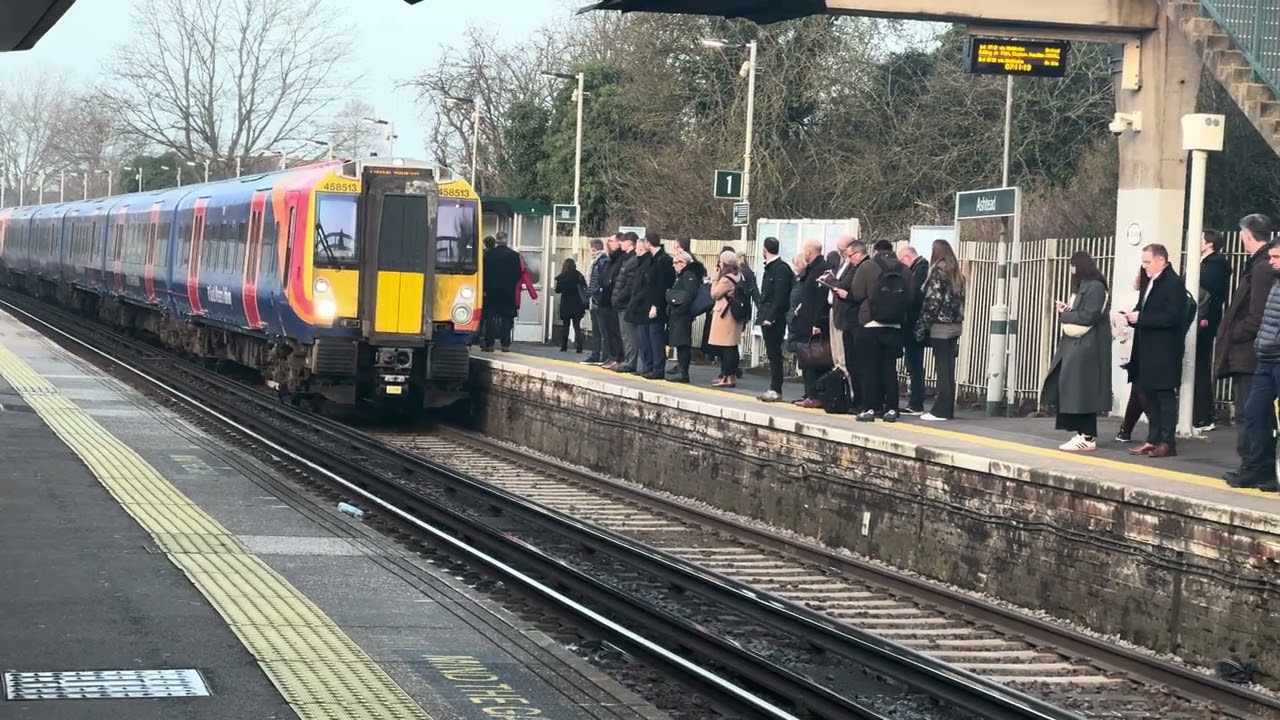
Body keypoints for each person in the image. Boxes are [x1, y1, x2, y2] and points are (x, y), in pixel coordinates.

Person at [1217, 214, 1274, 478]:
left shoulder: (1260, 268)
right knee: (1252, 411)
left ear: (1246, 236)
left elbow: (1257, 314)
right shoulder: (1259, 265)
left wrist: (1235, 333)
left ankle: (1253, 465)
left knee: (1250, 411)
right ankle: (1253, 465)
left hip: (1250, 352)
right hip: (1253, 350)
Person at [1042, 251, 1112, 452]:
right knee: (1076, 389)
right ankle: (1082, 432)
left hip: (1086, 346)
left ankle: (1087, 436)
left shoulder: (1095, 287)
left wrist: (1065, 315)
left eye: (1071, 266)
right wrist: (1067, 310)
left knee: (1083, 390)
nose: (1070, 270)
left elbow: (1089, 316)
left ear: (1077, 266)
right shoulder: (1088, 286)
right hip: (1079, 344)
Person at [1126, 244, 1187, 458]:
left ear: (1161, 260)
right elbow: (1143, 307)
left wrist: (1142, 318)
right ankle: (1153, 439)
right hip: (1147, 348)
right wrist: (1132, 317)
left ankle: (1168, 442)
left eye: (1148, 262)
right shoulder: (1150, 281)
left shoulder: (1173, 283)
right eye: (1143, 262)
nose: (1145, 266)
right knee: (1149, 394)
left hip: (1164, 350)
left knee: (1164, 395)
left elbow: (1172, 317)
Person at [1231, 239, 1280, 491]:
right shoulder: (1276, 283)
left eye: (1276, 257)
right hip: (1266, 359)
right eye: (1271, 257)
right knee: (1254, 411)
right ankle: (1259, 467)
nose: (1271, 262)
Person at [849, 239, 913, 423]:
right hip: (894, 325)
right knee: (889, 368)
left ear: (875, 250)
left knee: (869, 369)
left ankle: (870, 408)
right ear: (892, 250)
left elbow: (857, 293)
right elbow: (911, 297)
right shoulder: (904, 269)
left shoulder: (867, 266)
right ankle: (891, 409)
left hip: (871, 323)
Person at [913, 239, 964, 422]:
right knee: (948, 369)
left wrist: (921, 325)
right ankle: (948, 408)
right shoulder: (957, 274)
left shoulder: (937, 272)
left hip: (940, 326)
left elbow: (932, 302)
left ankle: (941, 410)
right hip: (955, 325)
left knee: (941, 369)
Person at [1193, 230, 1231, 430]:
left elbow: (1204, 286)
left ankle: (1203, 416)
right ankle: (1198, 414)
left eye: (1201, 239)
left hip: (1205, 320)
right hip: (1200, 318)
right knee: (1195, 366)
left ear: (1209, 244)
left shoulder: (1216, 264)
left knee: (1200, 366)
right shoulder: (1205, 263)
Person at [792, 241, 832, 408]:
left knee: (814, 358)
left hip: (813, 322)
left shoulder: (820, 269)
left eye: (805, 251)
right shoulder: (813, 269)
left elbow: (820, 299)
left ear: (809, 252)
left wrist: (817, 322)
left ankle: (814, 394)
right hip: (806, 320)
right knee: (806, 358)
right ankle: (809, 393)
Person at [756, 236, 795, 403]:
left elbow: (780, 296)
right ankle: (774, 387)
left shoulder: (780, 269)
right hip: (767, 315)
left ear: (765, 250)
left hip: (773, 319)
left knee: (774, 354)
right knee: (772, 354)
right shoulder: (773, 267)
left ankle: (776, 388)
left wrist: (770, 317)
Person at [897, 245, 930, 415]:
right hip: (915, 324)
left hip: (914, 325)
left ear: (907, 258)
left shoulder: (919, 270)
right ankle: (916, 400)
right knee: (913, 363)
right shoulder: (921, 269)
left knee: (914, 363)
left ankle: (916, 402)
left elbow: (914, 296)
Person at [480, 233, 523, 352]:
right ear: (506, 240)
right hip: (508, 290)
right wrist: (510, 283)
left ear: (497, 240)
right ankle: (505, 344)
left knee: (490, 317)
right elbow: (518, 274)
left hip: (492, 289)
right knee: (507, 317)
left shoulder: (489, 255)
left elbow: (484, 272)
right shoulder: (514, 255)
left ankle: (490, 343)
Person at [664, 250, 702, 383]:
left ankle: (683, 372)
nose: (674, 265)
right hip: (677, 314)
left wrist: (681, 308)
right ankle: (680, 368)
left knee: (682, 343)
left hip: (682, 314)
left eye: (676, 262)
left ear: (684, 263)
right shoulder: (681, 276)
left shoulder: (688, 275)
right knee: (679, 342)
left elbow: (690, 294)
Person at [708, 250, 744, 387]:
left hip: (725, 315)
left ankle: (727, 376)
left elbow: (714, 294)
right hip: (733, 315)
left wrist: (715, 278)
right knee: (732, 346)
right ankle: (730, 376)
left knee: (726, 348)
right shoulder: (738, 275)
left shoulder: (726, 279)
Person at [582, 238, 609, 364]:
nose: (589, 252)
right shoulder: (597, 261)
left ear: (594, 249)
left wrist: (592, 293)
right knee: (596, 330)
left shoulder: (602, 261)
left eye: (590, 249)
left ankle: (602, 355)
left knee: (601, 330)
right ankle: (596, 354)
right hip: (594, 299)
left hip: (598, 299)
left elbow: (597, 281)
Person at [554, 258, 588, 353]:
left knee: (566, 325)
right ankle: (579, 347)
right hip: (577, 304)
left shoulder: (563, 276)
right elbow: (584, 286)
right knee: (577, 326)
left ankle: (564, 346)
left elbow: (558, 290)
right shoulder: (578, 275)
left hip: (566, 303)